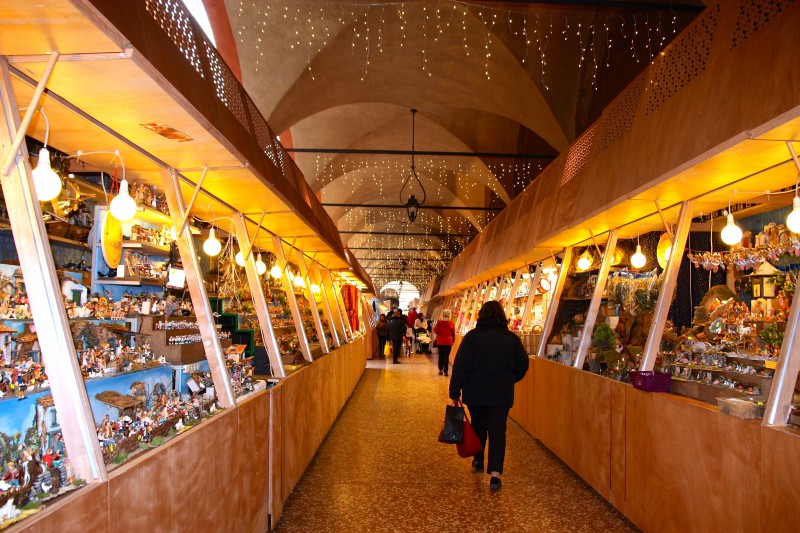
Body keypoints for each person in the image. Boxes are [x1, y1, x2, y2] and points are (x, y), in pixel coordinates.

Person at [448, 300, 529, 491]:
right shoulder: (511, 339)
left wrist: (455, 390)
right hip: (501, 392)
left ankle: (478, 460)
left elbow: (462, 365)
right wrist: (510, 378)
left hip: (475, 390)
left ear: (481, 315)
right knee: (498, 430)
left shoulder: (472, 337)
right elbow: (523, 364)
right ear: (502, 315)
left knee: (479, 425)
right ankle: (495, 474)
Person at [433, 309, 455, 376]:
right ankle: (446, 372)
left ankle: (440, 370)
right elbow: (453, 333)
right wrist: (453, 341)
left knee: (441, 356)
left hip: (440, 341)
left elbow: (435, 331)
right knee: (446, 357)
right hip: (448, 342)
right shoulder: (451, 323)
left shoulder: (439, 322)